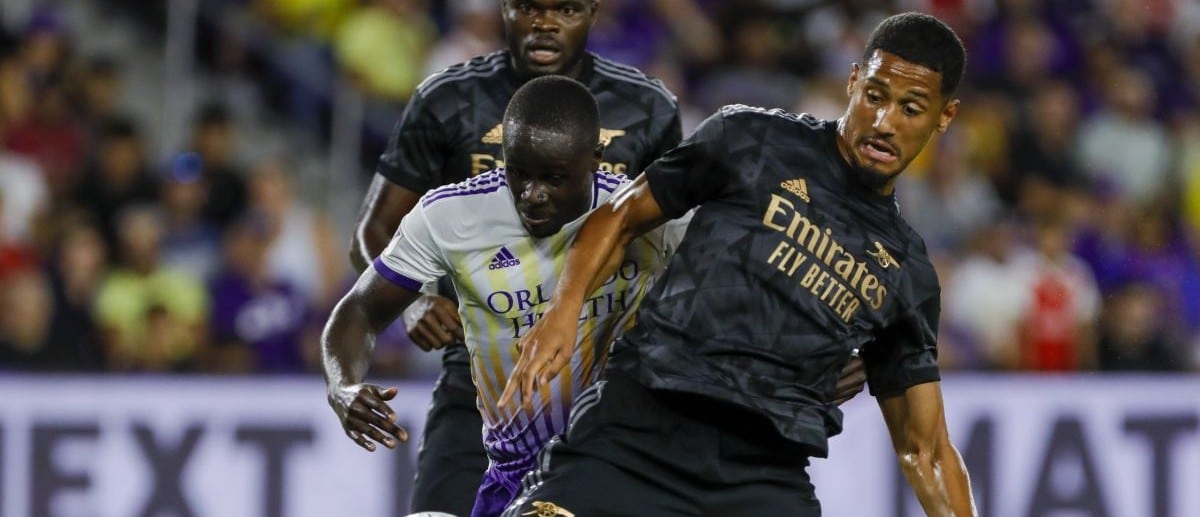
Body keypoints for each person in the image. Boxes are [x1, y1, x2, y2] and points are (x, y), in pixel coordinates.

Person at [501, 12, 977, 516]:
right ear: (854, 80)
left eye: (911, 108)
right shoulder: (752, 139)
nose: (884, 122)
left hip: (761, 476)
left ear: (944, 117)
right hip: (636, 431)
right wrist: (563, 309)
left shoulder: (907, 271)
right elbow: (620, 217)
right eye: (876, 96)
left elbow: (925, 450)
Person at [346, 2, 682, 515]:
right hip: (481, 372)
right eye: (528, 6)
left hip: (602, 384)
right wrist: (413, 303)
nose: (544, 22)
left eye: (565, 8)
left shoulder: (647, 106)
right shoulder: (448, 98)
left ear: (593, 10)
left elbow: (678, 243)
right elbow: (373, 232)